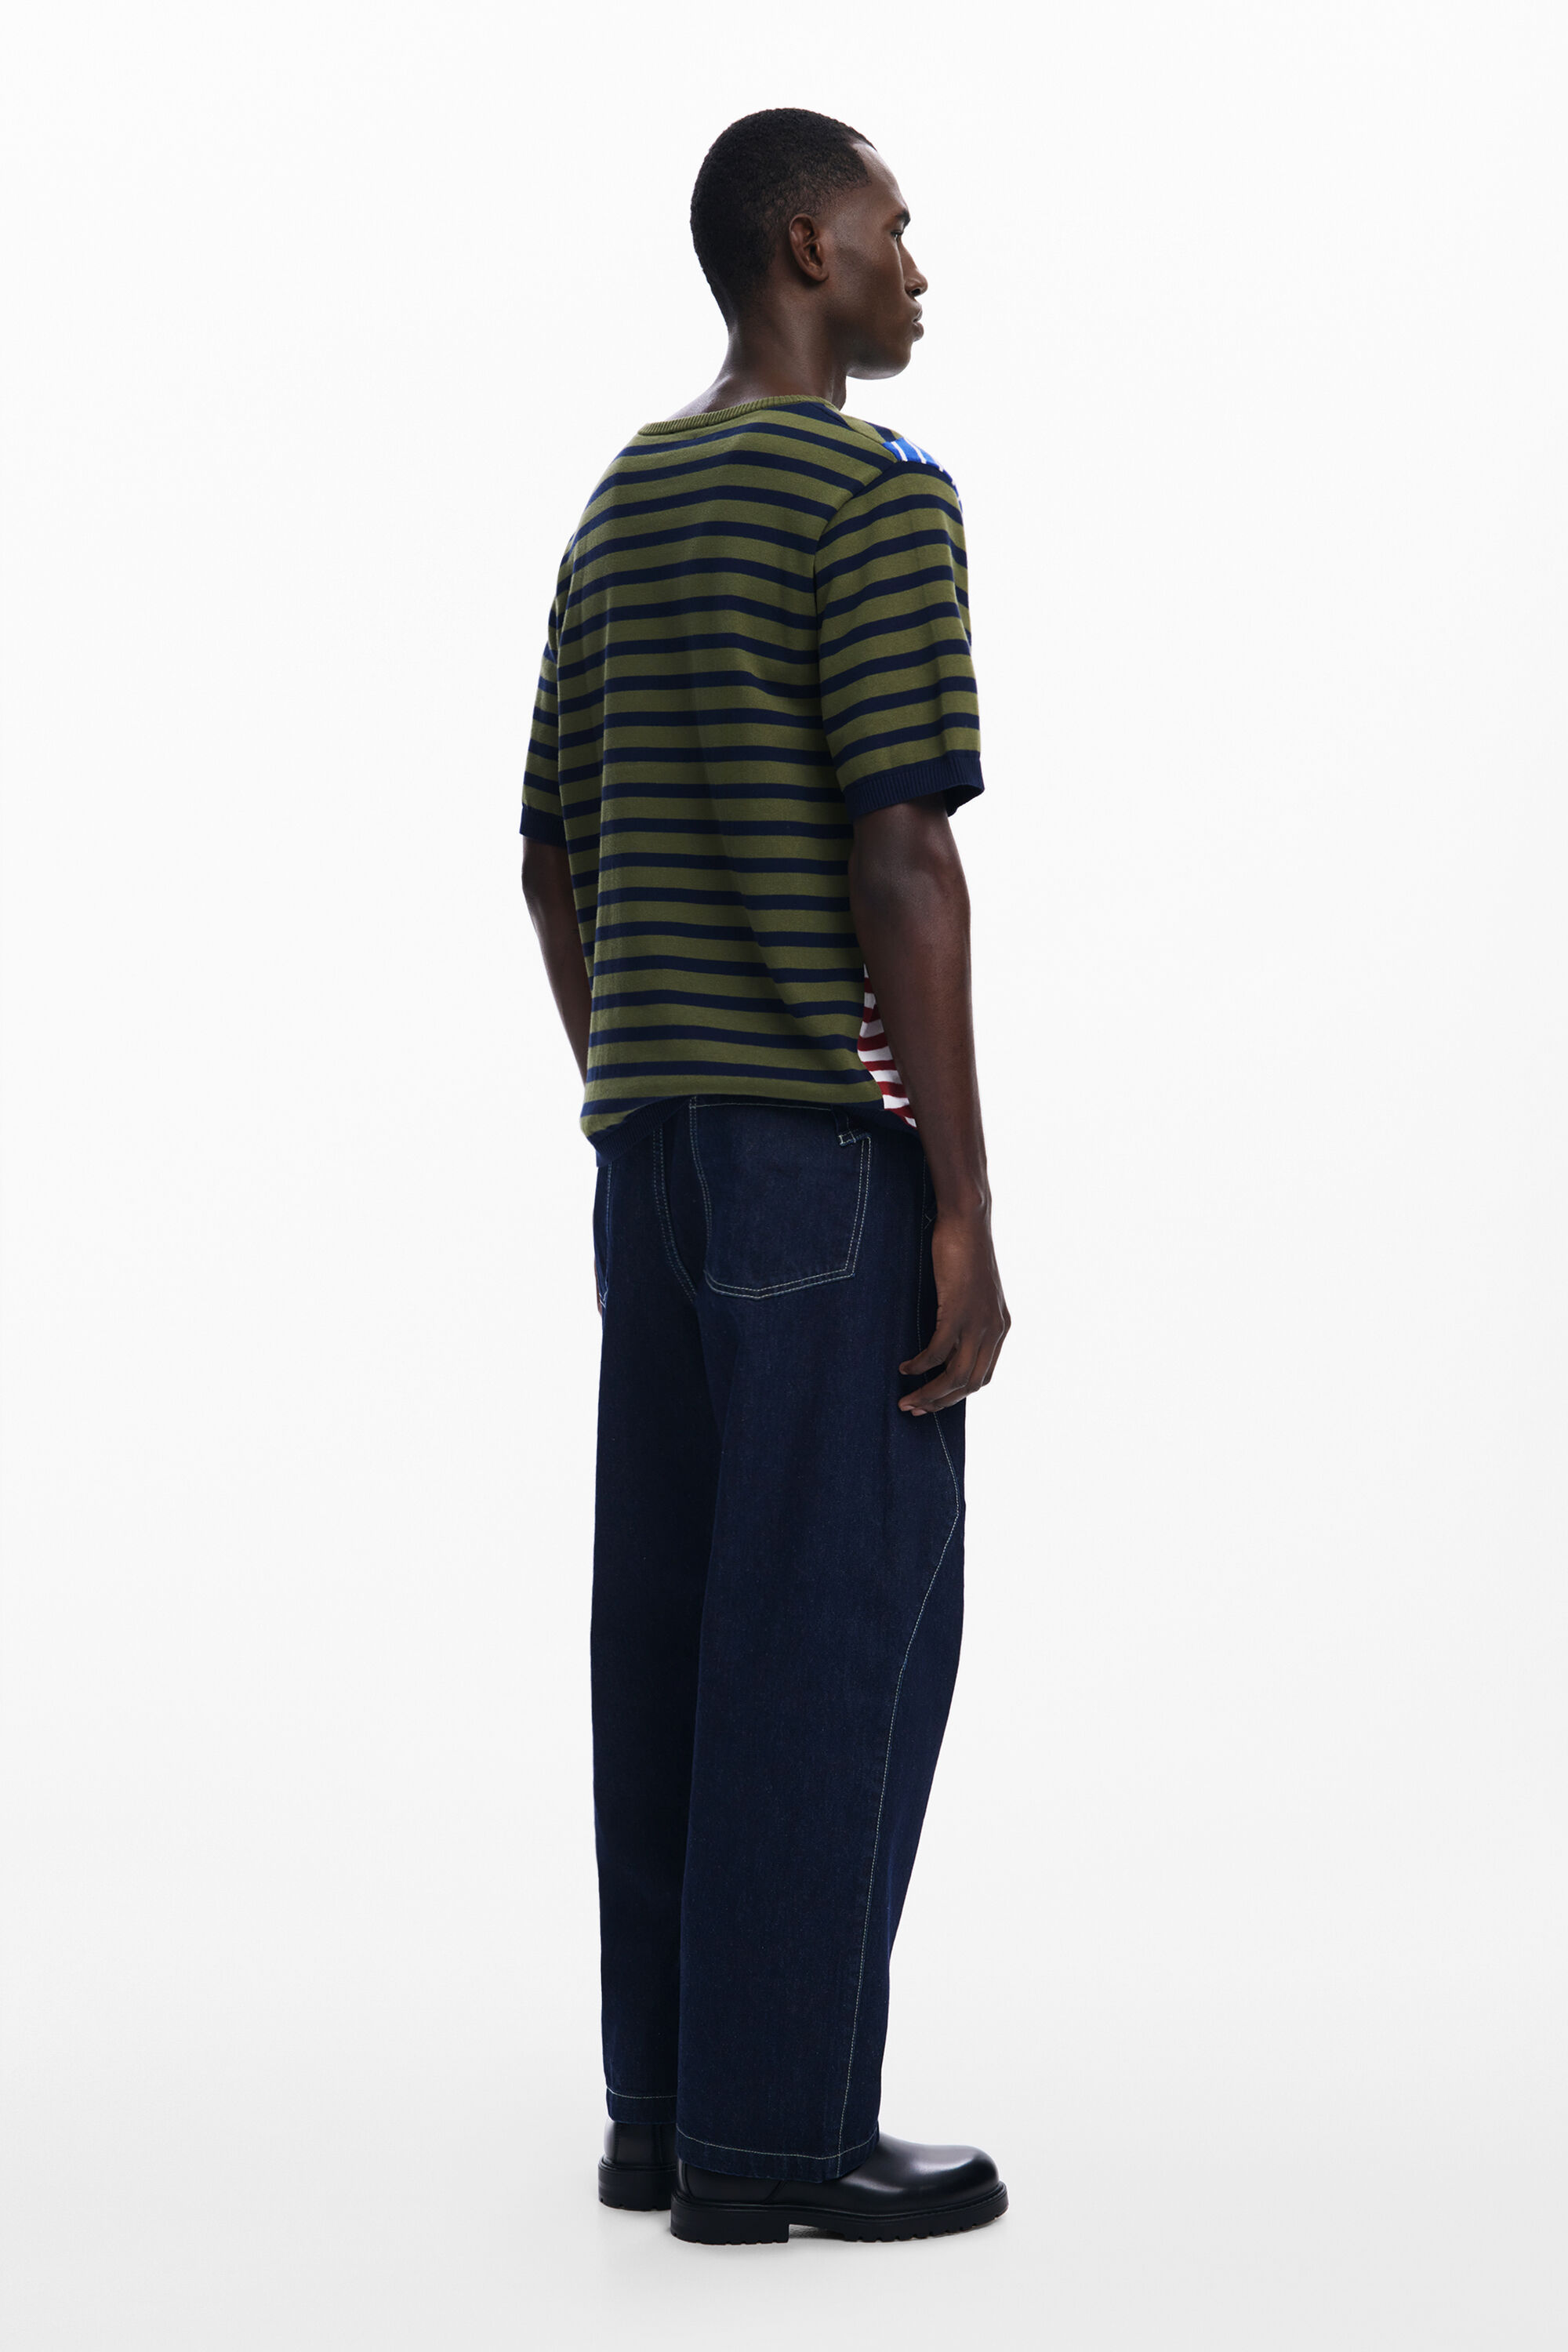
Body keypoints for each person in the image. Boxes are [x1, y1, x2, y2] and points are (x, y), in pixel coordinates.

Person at [520, 107, 1011, 2247]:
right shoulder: (872, 494)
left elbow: (548, 855)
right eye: (897, 229)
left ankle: (664, 2113)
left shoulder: (621, 502)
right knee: (827, 1628)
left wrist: (641, 1074)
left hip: (654, 1168)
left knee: (670, 1624)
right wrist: (963, 1204)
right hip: (821, 1158)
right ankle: (778, 2138)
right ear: (807, 244)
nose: (920, 267)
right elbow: (904, 852)